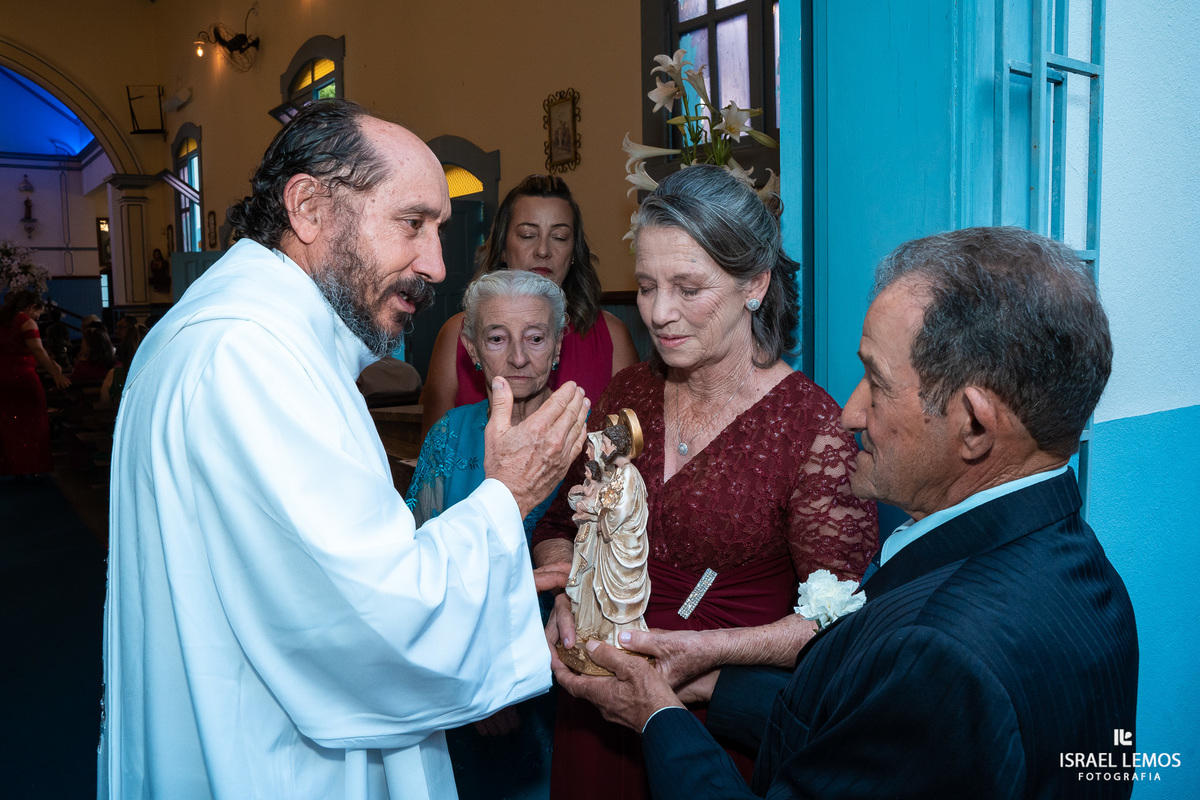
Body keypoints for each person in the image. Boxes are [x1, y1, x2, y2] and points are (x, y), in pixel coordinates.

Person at [99, 99, 590, 800]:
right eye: (413, 223)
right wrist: (504, 497)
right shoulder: (250, 356)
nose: (436, 264)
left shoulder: (239, 331)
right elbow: (371, 620)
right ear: (309, 208)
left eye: (440, 230)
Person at [557, 226, 1139, 800]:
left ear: (975, 426)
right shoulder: (1088, 577)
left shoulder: (942, 654)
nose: (850, 413)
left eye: (877, 384)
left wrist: (657, 717)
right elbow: (881, 735)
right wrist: (715, 685)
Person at [533, 165, 878, 799]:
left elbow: (838, 618)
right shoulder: (629, 390)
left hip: (708, 725)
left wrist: (711, 651)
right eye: (645, 287)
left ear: (755, 283)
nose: (659, 313)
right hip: (597, 700)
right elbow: (560, 526)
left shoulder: (811, 426)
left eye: (688, 288)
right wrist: (568, 591)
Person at [406, 268, 568, 800]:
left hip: (564, 679)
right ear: (473, 349)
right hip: (463, 684)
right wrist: (472, 681)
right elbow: (416, 572)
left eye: (536, 338)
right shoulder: (448, 438)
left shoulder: (589, 434)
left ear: (558, 345)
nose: (519, 357)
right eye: (498, 338)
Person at [420, 174, 638, 437]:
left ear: (573, 254)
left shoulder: (611, 336)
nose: (543, 250)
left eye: (559, 236)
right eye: (527, 235)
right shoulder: (456, 334)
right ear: (502, 247)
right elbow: (432, 455)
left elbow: (628, 456)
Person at [0, 290, 70, 479]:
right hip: (23, 379)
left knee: (10, 425)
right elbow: (37, 351)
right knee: (33, 423)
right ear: (31, 307)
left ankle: (15, 468)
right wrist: (56, 374)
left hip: (3, 379)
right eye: (39, 312)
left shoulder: (4, 321)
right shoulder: (26, 322)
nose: (39, 317)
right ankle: (33, 467)